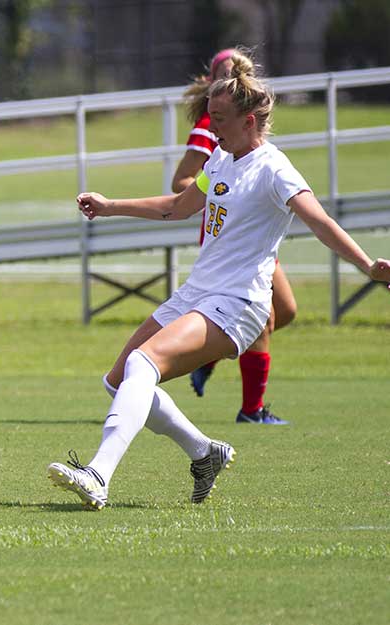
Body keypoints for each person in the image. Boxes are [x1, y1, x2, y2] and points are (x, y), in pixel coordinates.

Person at [47, 54, 390, 510]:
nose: (213, 128)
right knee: (119, 379)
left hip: (238, 304)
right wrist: (111, 206)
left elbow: (320, 222)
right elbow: (178, 206)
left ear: (250, 121)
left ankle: (98, 475)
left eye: (221, 120)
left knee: (144, 363)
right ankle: (204, 452)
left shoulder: (274, 168)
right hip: (197, 293)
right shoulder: (221, 159)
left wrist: (367, 266)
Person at [172, 47, 295, 425]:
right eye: (223, 73)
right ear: (212, 81)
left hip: (254, 231)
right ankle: (251, 411)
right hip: (229, 232)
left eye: (237, 72)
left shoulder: (248, 131)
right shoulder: (208, 127)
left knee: (285, 312)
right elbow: (181, 185)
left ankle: (209, 355)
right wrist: (220, 194)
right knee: (261, 320)